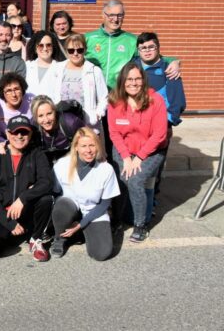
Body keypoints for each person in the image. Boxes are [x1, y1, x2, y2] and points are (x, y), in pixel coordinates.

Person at [107, 62, 168, 242]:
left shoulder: (156, 101)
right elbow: (114, 132)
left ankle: (141, 225)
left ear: (143, 80)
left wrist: (139, 157)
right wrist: (126, 157)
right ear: (123, 81)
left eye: (137, 79)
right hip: (125, 149)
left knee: (135, 180)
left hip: (152, 150)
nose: (133, 83)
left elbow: (159, 134)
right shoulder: (114, 101)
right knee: (120, 180)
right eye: (129, 79)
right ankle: (118, 220)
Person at [0, 115, 54, 262]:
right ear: (8, 134)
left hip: (26, 210)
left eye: (24, 132)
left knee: (46, 199)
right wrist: (9, 223)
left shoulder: (37, 154)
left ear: (30, 134)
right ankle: (17, 234)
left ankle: (35, 239)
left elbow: (47, 182)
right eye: (15, 132)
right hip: (4, 213)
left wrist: (23, 198)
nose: (20, 136)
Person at [51, 127, 119, 261]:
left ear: (97, 146)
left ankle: (79, 233)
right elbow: (55, 191)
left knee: (101, 253)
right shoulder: (62, 164)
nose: (88, 150)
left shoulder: (106, 169)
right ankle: (60, 237)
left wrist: (81, 224)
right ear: (76, 147)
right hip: (69, 208)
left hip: (93, 212)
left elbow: (105, 203)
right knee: (62, 206)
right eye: (83, 146)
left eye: (92, 145)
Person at [133, 32, 186, 196]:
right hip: (134, 128)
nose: (147, 51)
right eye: (143, 48)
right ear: (138, 50)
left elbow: (178, 103)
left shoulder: (168, 70)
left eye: (151, 47)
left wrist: (165, 124)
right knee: (134, 167)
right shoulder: (133, 67)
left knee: (153, 170)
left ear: (158, 48)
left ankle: (151, 202)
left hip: (158, 130)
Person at [85, 0, 180, 90]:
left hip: (120, 95)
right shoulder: (87, 38)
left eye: (120, 15)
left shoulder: (132, 40)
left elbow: (153, 57)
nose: (115, 19)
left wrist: (173, 61)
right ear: (103, 15)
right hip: (93, 93)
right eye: (111, 15)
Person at [40, 34, 109, 131]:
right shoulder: (57, 69)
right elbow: (49, 94)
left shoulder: (94, 71)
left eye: (79, 50)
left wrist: (98, 113)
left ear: (85, 50)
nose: (75, 54)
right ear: (66, 51)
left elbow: (104, 98)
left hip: (87, 125)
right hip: (62, 124)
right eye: (71, 50)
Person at [31, 95, 85, 165]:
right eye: (40, 116)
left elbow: (90, 140)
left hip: (73, 161)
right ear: (35, 118)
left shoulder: (70, 122)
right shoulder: (33, 129)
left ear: (55, 111)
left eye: (49, 113)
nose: (46, 120)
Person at [0, 72, 35, 147]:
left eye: (16, 89)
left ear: (22, 89)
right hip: (7, 146)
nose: (13, 95)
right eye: (9, 91)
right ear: (3, 93)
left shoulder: (32, 100)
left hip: (30, 143)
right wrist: (8, 145)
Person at [24, 31, 57, 95]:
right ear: (35, 49)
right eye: (41, 45)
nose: (45, 49)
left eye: (48, 45)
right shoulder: (26, 66)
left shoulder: (60, 68)